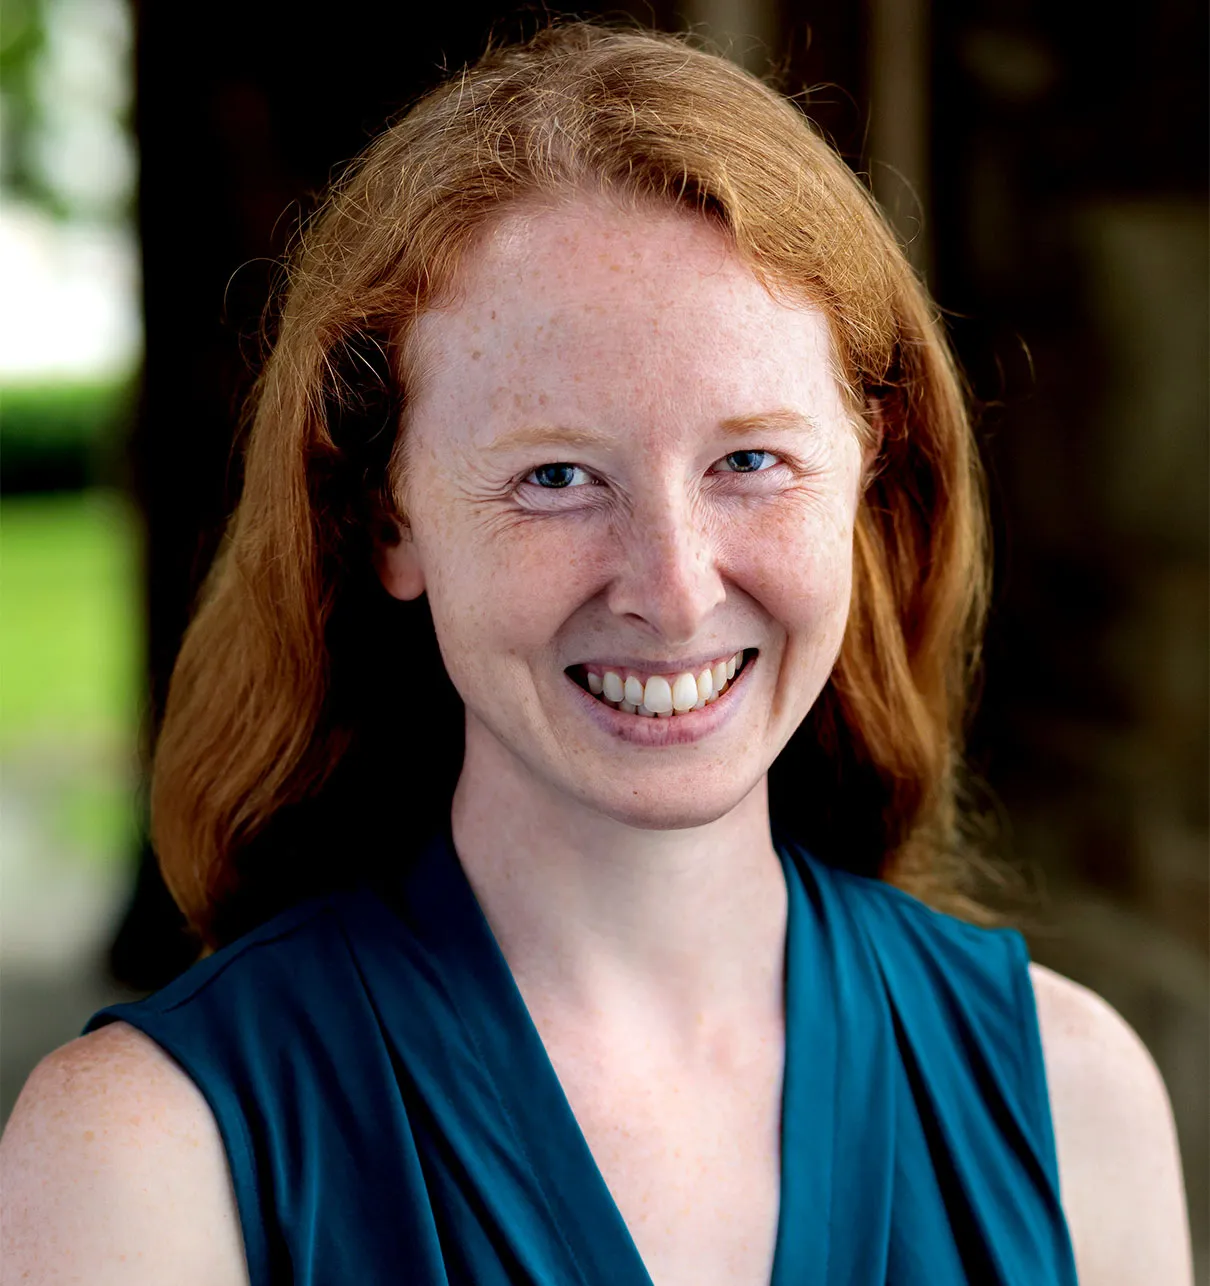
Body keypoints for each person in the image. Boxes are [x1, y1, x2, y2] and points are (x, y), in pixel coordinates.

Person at [0, 22, 1193, 1286]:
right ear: (386, 518)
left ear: (870, 473)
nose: (674, 591)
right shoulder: (143, 1157)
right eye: (556, 475)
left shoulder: (1075, 1108)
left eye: (749, 461)